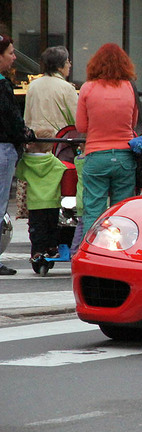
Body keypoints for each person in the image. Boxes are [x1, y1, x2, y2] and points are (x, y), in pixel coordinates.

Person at [75, 43, 137, 232]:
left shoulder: (88, 88)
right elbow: (133, 124)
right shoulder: (129, 87)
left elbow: (81, 126)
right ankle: (119, 255)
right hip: (124, 157)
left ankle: (92, 253)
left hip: (96, 156)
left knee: (93, 209)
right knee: (123, 212)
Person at [0, 34, 36, 275]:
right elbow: (11, 120)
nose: (14, 58)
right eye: (11, 53)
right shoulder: (2, 85)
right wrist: (26, 134)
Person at [14, 141, 67, 261]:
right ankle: (52, 248)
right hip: (52, 201)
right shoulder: (53, 161)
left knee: (37, 228)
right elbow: (64, 170)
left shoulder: (25, 162)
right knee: (52, 226)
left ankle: (38, 251)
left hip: (35, 202)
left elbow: (20, 175)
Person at [24, 46, 78, 138]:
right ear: (59, 67)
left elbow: (27, 118)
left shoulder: (33, 85)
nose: (69, 65)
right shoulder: (67, 88)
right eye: (67, 62)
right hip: (59, 141)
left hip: (36, 139)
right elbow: (76, 118)